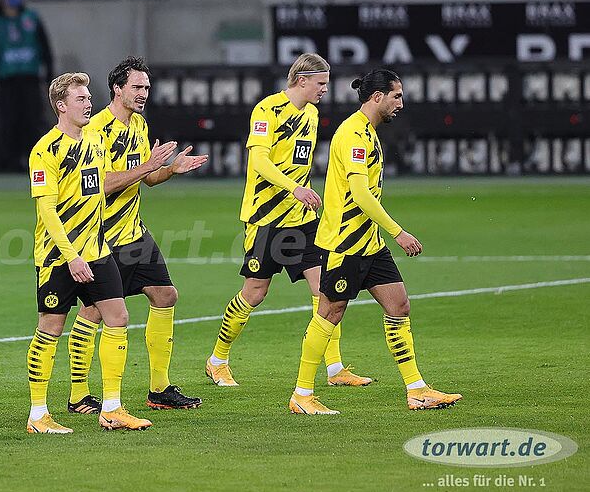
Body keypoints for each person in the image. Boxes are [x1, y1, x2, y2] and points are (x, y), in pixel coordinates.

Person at [288, 69, 462, 414]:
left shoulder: (368, 131)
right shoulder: (354, 133)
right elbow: (360, 193)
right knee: (329, 313)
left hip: (369, 242)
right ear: (378, 96)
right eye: (396, 96)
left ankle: (417, 390)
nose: (401, 103)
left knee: (399, 306)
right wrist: (398, 232)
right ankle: (302, 395)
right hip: (345, 242)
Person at [205, 53, 373, 389]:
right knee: (254, 293)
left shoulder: (311, 114)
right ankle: (217, 360)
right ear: (301, 80)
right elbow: (259, 160)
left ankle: (334, 368)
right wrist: (294, 188)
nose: (325, 89)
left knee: (326, 289)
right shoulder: (267, 110)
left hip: (302, 219)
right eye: (320, 83)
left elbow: (300, 162)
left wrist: (307, 193)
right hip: (266, 218)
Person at [64, 57, 208, 415]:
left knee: (165, 295)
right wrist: (148, 166)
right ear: (118, 88)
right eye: (137, 87)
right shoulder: (95, 130)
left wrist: (170, 170)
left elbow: (147, 178)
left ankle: (159, 389)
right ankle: (78, 394)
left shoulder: (139, 125)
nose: (144, 93)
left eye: (146, 87)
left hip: (134, 233)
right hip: (101, 237)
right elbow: (99, 184)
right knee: (93, 312)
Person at [26, 72, 151, 434]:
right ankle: (38, 415)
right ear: (61, 106)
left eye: (88, 98)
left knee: (118, 317)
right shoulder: (46, 150)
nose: (88, 104)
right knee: (51, 327)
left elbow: (101, 192)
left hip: (97, 251)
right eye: (80, 99)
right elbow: (47, 211)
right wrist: (71, 256)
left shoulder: (95, 142)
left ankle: (111, 408)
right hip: (58, 257)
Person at [0, 0, 53, 172]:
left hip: (30, 79)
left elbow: (45, 47)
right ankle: (10, 161)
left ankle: (35, 160)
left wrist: (49, 74)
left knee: (32, 120)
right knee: (8, 122)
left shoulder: (32, 19)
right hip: (7, 81)